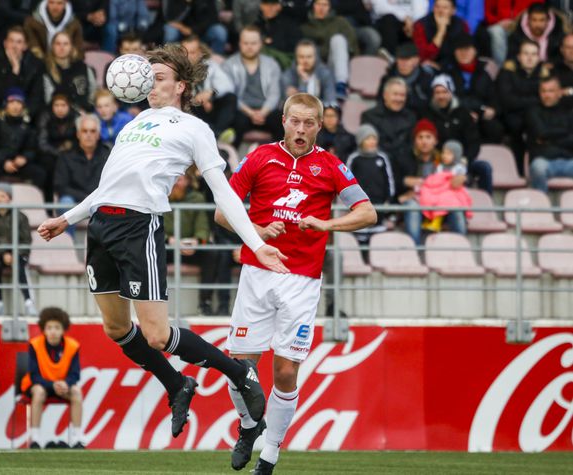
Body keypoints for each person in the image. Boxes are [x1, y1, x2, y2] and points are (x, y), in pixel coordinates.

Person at [37, 44, 289, 440]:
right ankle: (177, 385)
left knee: (156, 334)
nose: (147, 86)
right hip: (101, 225)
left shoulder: (194, 129)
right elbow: (106, 188)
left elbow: (223, 192)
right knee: (116, 328)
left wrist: (256, 242)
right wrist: (67, 219)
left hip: (139, 227)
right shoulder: (132, 124)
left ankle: (239, 373)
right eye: (146, 78)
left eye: (157, 79)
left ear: (180, 87)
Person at [214, 93, 376, 474]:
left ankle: (269, 455)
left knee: (285, 371)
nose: (301, 130)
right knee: (239, 366)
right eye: (295, 121)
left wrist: (327, 224)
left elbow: (367, 212)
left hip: (301, 281)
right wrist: (256, 229)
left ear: (320, 125)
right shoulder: (258, 157)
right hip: (256, 272)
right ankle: (251, 425)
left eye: (309, 123)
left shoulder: (331, 165)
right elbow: (224, 212)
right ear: (283, 120)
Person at [20, 307, 83, 448]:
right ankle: (35, 438)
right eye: (49, 327)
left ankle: (77, 438)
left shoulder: (73, 346)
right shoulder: (35, 345)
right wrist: (51, 385)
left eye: (57, 327)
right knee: (39, 392)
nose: (53, 331)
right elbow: (34, 375)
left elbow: (75, 373)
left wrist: (66, 384)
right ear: (43, 329)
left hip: (62, 386)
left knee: (77, 392)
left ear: (63, 329)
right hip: (40, 385)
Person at [423, 74, 493, 195]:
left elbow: (474, 141)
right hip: (438, 160)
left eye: (444, 92)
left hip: (463, 160)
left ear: (451, 92)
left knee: (484, 168)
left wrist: (465, 159)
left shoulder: (463, 113)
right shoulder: (427, 114)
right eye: (437, 92)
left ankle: (486, 204)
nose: (441, 96)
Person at [222, 26, 283, 148]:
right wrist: (251, 113)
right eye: (246, 43)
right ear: (240, 44)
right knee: (234, 119)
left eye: (254, 43)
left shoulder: (271, 64)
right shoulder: (229, 65)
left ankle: (283, 159)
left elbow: (274, 94)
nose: (249, 47)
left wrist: (263, 112)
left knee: (282, 120)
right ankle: (231, 161)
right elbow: (230, 94)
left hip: (266, 110)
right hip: (242, 111)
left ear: (260, 44)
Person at [497, 40, 550, 174]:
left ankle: (537, 171)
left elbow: (548, 99)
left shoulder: (545, 75)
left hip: (537, 117)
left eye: (534, 54)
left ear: (539, 57)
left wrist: (522, 99)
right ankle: (519, 173)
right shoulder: (507, 72)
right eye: (526, 53)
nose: (530, 58)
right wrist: (535, 99)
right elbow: (507, 101)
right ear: (519, 56)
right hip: (513, 117)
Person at [164, 171, 213, 315]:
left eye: (180, 179)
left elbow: (203, 226)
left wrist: (196, 241)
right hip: (167, 246)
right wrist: (168, 240)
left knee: (213, 253)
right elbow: (153, 226)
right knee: (152, 252)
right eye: (174, 179)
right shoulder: (159, 197)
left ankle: (205, 303)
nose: (177, 183)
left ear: (188, 181)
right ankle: (157, 298)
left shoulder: (197, 198)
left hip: (189, 247)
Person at [0, 183, 36, 317]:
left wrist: (14, 253)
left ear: (9, 198)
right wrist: (3, 254)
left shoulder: (20, 216)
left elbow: (26, 240)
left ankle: (29, 302)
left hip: (18, 253)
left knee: (19, 266)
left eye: (3, 196)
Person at [54, 114, 111, 237]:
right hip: (74, 202)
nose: (89, 135)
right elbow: (61, 186)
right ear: (78, 134)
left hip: (101, 201)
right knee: (65, 202)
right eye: (85, 131)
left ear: (98, 134)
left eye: (92, 131)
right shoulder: (65, 156)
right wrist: (86, 198)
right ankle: (69, 248)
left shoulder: (108, 155)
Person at [442, 32, 504, 144]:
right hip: (458, 113)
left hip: (484, 114)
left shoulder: (488, 67)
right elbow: (449, 97)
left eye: (467, 49)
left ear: (475, 50)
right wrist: (468, 112)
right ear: (454, 52)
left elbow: (498, 93)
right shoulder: (448, 69)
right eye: (459, 49)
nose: (463, 53)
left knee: (495, 128)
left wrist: (494, 109)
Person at [0, 87, 45, 188]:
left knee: (39, 173)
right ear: (5, 104)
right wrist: (3, 161)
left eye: (19, 102)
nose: (15, 106)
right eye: (12, 102)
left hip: (17, 164)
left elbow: (31, 148)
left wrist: (25, 158)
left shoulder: (27, 126)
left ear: (23, 106)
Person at [345, 124, 396, 246]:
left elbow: (389, 181)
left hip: (379, 206)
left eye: (374, 138)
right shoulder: (354, 158)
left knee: (377, 241)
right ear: (361, 141)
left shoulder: (382, 158)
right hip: (360, 206)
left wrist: (388, 200)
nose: (372, 142)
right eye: (368, 138)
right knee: (360, 240)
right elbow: (346, 182)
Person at [180, 35, 237, 142]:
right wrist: (197, 99)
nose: (188, 57)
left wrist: (211, 93)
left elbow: (228, 85)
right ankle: (215, 134)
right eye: (185, 53)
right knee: (188, 104)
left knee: (231, 98)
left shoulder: (211, 66)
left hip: (212, 106)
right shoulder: (178, 70)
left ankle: (217, 132)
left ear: (200, 53)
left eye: (192, 53)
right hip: (192, 108)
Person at [0, 26, 46, 121]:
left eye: (19, 42)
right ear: (5, 43)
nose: (14, 46)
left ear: (25, 46)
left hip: (27, 114)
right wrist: (14, 71)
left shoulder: (35, 65)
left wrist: (24, 113)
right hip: (2, 112)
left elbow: (36, 97)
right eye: (11, 41)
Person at [301, 0, 358, 99]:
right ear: (313, 6)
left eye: (325, 5)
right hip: (315, 68)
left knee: (338, 39)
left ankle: (341, 85)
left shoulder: (340, 22)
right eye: (318, 4)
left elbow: (352, 44)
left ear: (330, 7)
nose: (321, 8)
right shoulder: (305, 27)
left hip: (336, 65)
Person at [526, 76, 573, 192]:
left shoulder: (568, 112)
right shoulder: (532, 112)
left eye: (551, 91)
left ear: (559, 92)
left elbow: (545, 135)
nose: (546, 95)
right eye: (543, 91)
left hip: (568, 160)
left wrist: (548, 139)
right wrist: (565, 132)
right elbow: (541, 132)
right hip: (543, 160)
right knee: (538, 167)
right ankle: (541, 207)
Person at [417, 139, 471, 234]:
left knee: (445, 198)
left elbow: (456, 183)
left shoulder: (459, 168)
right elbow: (435, 179)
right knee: (426, 194)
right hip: (438, 189)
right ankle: (428, 217)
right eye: (443, 153)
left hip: (452, 191)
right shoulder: (439, 167)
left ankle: (437, 221)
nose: (444, 156)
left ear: (456, 155)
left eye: (449, 154)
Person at [361, 77, 416, 167]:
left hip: (405, 166)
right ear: (385, 95)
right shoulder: (369, 116)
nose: (398, 99)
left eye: (402, 95)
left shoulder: (411, 117)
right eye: (395, 94)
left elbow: (410, 146)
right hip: (379, 166)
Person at [37, 92, 79, 202]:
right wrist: (58, 153)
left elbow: (79, 140)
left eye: (63, 105)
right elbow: (42, 143)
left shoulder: (76, 117)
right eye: (56, 105)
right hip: (51, 154)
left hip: (71, 153)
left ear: (69, 106)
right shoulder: (45, 117)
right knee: (48, 168)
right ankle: (49, 204)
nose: (60, 109)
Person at [377, 42, 436, 116]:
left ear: (416, 60)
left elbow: (428, 106)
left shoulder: (426, 79)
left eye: (407, 59)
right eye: (400, 59)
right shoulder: (387, 79)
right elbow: (380, 103)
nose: (403, 63)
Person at [42, 31, 96, 112]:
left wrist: (87, 109)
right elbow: (48, 99)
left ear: (71, 47)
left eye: (65, 44)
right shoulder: (45, 70)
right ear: (52, 47)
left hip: (85, 113)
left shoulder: (83, 67)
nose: (62, 47)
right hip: (59, 116)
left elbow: (93, 91)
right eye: (58, 44)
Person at [281, 39, 338, 107]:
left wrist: (298, 94)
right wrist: (304, 80)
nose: (305, 60)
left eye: (309, 57)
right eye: (301, 57)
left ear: (315, 57)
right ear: (296, 58)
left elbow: (330, 103)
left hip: (321, 115)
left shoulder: (325, 73)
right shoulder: (287, 76)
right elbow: (291, 107)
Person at [412, 0, 469, 66]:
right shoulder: (420, 25)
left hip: (454, 66)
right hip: (429, 65)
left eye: (445, 8)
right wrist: (441, 31)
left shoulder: (462, 25)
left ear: (453, 11)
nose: (440, 11)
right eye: (437, 7)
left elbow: (464, 50)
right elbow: (423, 55)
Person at [161, 0, 228, 55]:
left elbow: (212, 18)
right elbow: (170, 19)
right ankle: (169, 57)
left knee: (219, 31)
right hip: (180, 32)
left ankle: (216, 60)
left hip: (202, 31)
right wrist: (187, 4)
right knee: (170, 31)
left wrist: (193, 30)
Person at [255, 0, 302, 70]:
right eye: (266, 4)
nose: (270, 8)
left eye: (273, 5)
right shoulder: (256, 26)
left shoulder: (289, 25)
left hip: (284, 65)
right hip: (258, 66)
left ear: (279, 6)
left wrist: (271, 44)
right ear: (261, 6)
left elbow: (296, 47)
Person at [553, 33, 573, 108]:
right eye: (568, 47)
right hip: (560, 113)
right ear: (562, 49)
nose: (572, 51)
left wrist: (569, 91)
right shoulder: (553, 70)